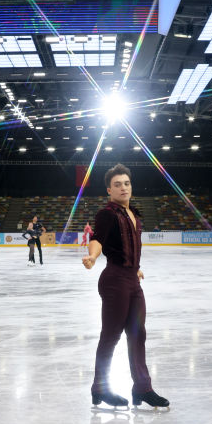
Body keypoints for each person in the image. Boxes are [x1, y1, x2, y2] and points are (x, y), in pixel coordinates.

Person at [82, 164, 170, 410]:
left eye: (127, 183)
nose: (123, 187)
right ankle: (100, 388)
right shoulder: (107, 213)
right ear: (109, 189)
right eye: (118, 184)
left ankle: (142, 387)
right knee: (110, 336)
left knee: (138, 334)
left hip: (132, 280)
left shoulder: (134, 214)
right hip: (114, 281)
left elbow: (129, 246)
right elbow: (98, 238)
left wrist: (135, 266)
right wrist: (92, 257)